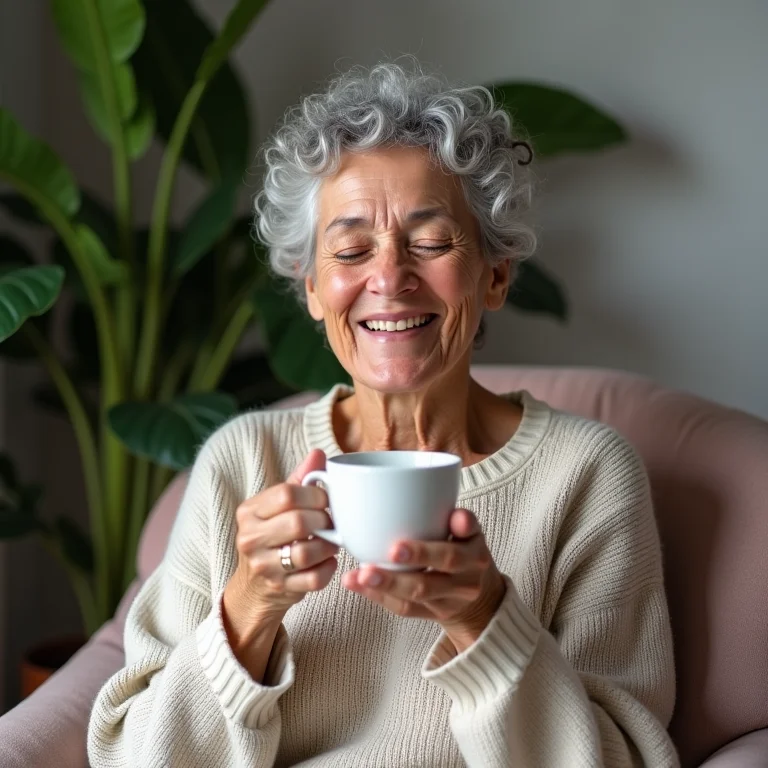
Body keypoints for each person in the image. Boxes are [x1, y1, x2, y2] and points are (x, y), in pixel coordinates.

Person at [88, 61, 678, 767]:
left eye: (429, 243)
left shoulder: (585, 475)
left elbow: (625, 759)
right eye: (350, 249)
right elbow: (129, 755)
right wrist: (250, 605)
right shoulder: (244, 461)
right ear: (311, 289)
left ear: (494, 276)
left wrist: (483, 619)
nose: (389, 278)